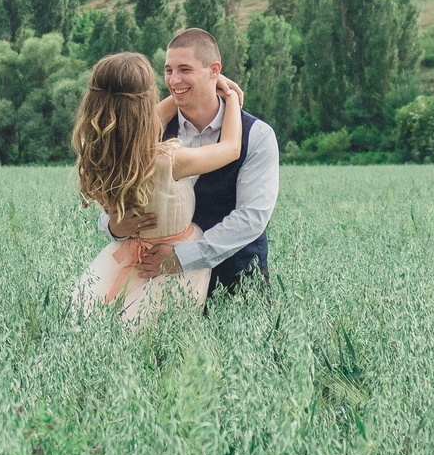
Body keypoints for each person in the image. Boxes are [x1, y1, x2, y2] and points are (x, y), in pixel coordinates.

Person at [70, 51, 244, 324]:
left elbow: (136, 124)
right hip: (174, 261)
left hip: (123, 257)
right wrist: (230, 97)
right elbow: (231, 149)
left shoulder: (93, 150)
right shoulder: (167, 161)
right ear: (146, 102)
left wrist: (191, 89)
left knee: (93, 331)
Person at [107, 27, 279, 302]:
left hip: (236, 282)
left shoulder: (257, 135)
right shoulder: (149, 131)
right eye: (168, 70)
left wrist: (182, 257)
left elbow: (252, 217)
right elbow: (113, 194)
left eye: (185, 69)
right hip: (156, 284)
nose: (174, 80)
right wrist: (114, 225)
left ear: (214, 71)